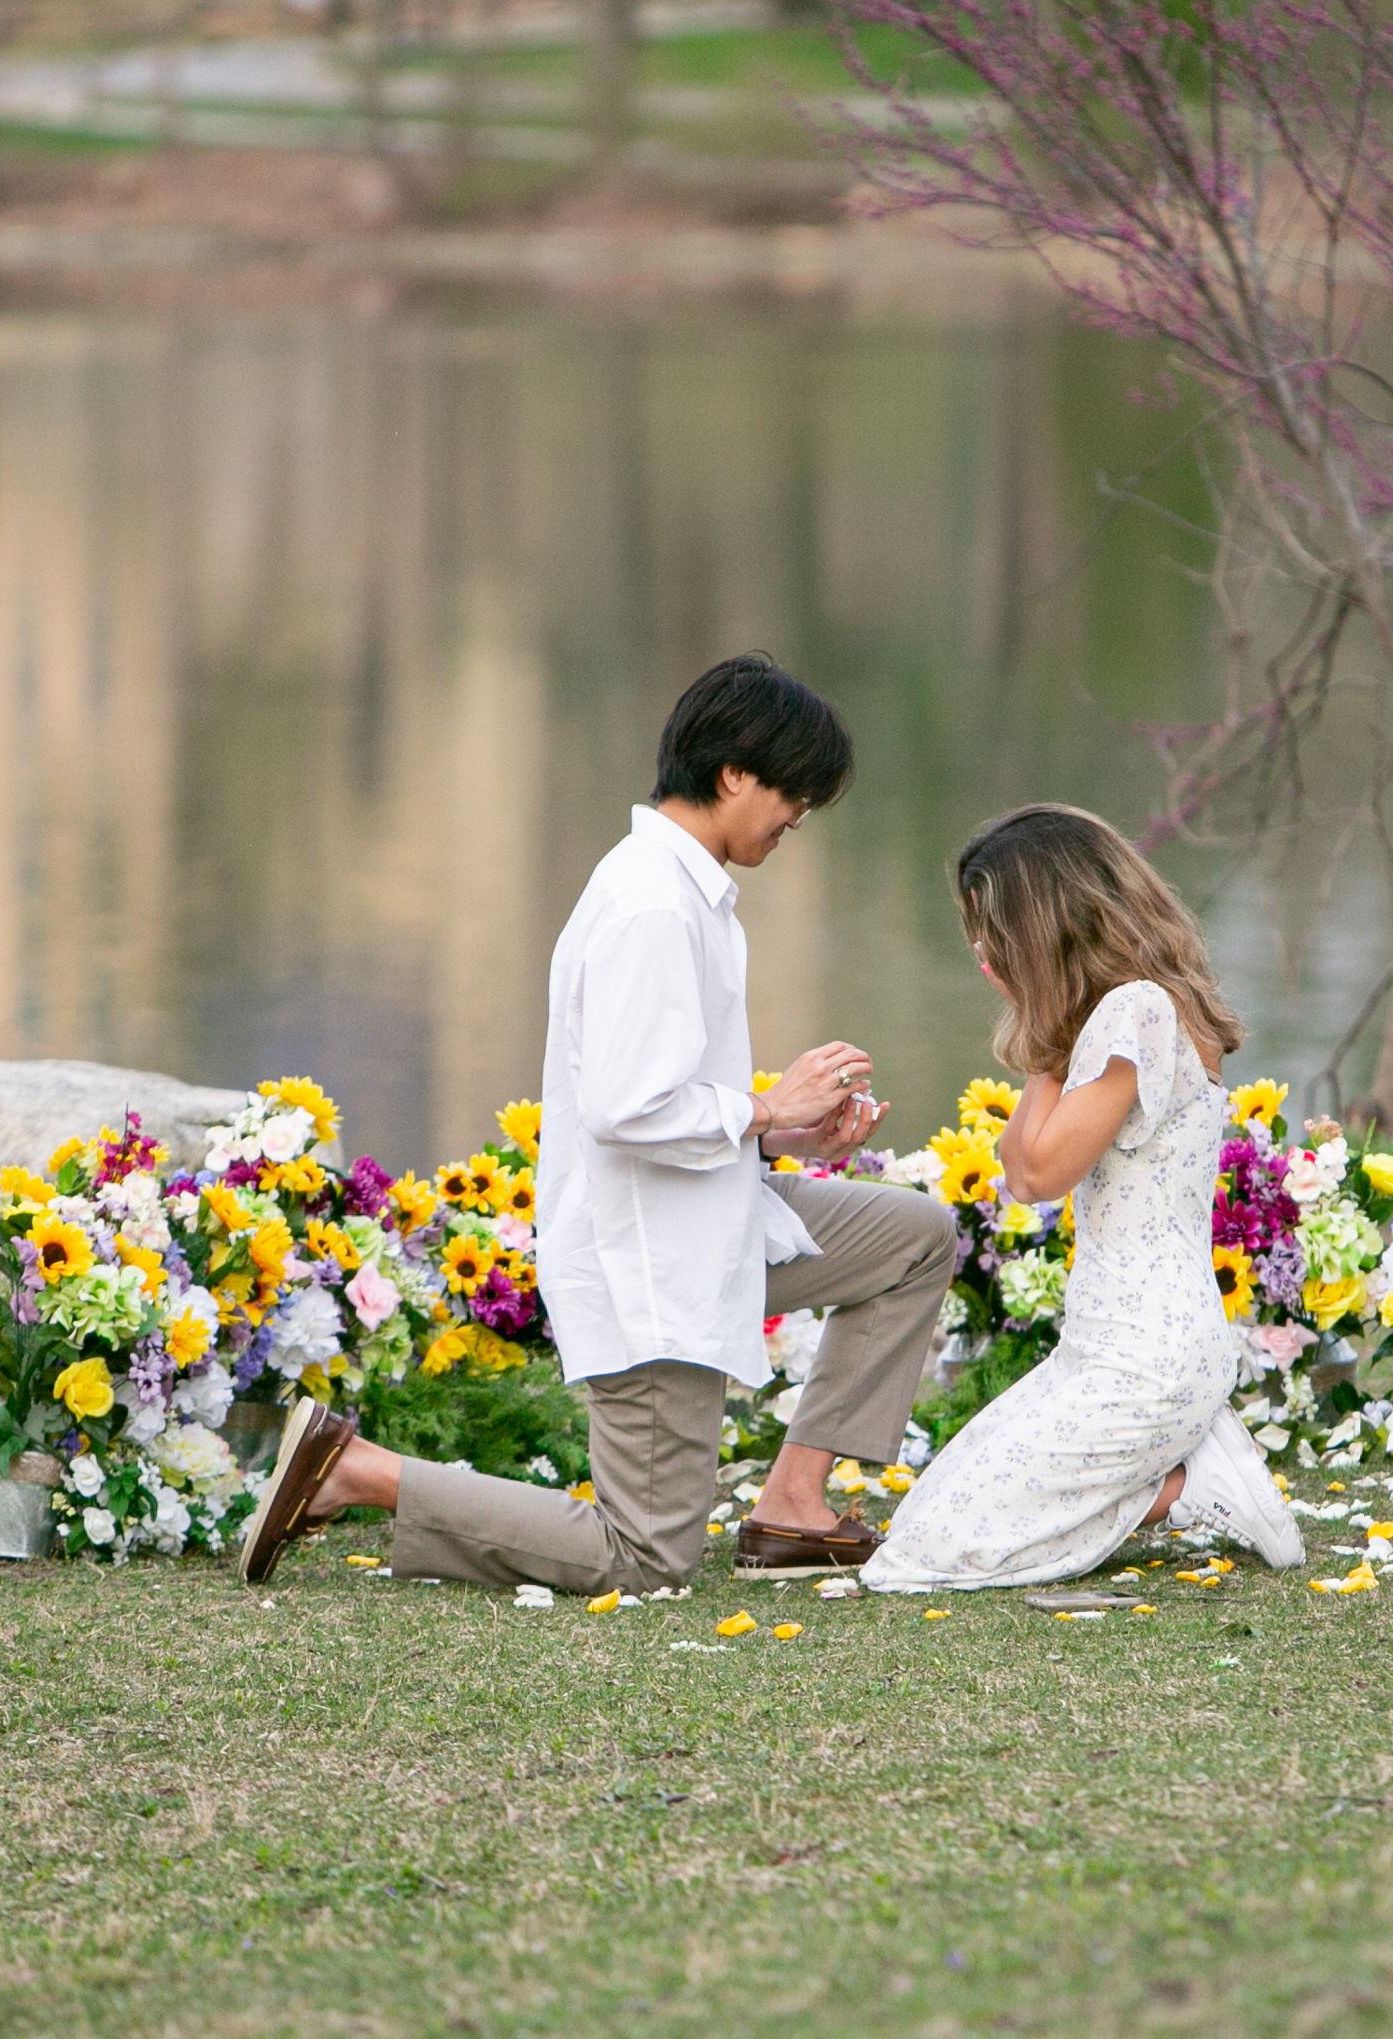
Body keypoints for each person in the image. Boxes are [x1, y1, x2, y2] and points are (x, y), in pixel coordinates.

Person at [241, 653, 957, 1592]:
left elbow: (654, 1098)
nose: (798, 820)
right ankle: (359, 1471)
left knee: (912, 1237)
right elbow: (626, 1109)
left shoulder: (687, 892)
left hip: (709, 1205)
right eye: (795, 795)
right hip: (650, 1249)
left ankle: (792, 1506)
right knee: (645, 1556)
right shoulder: (652, 903)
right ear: (736, 774)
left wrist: (785, 1134)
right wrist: (764, 1107)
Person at [861, 803, 1304, 1593]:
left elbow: (1036, 1176)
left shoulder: (1135, 1012)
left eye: (992, 928)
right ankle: (1189, 1463)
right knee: (922, 1521)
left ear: (1044, 922)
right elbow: (1018, 1164)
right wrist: (1052, 1030)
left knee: (923, 1559)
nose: (981, 951)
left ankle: (1190, 1489)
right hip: (1106, 1347)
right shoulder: (1127, 1011)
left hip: (1147, 1356)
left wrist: (1043, 1025)